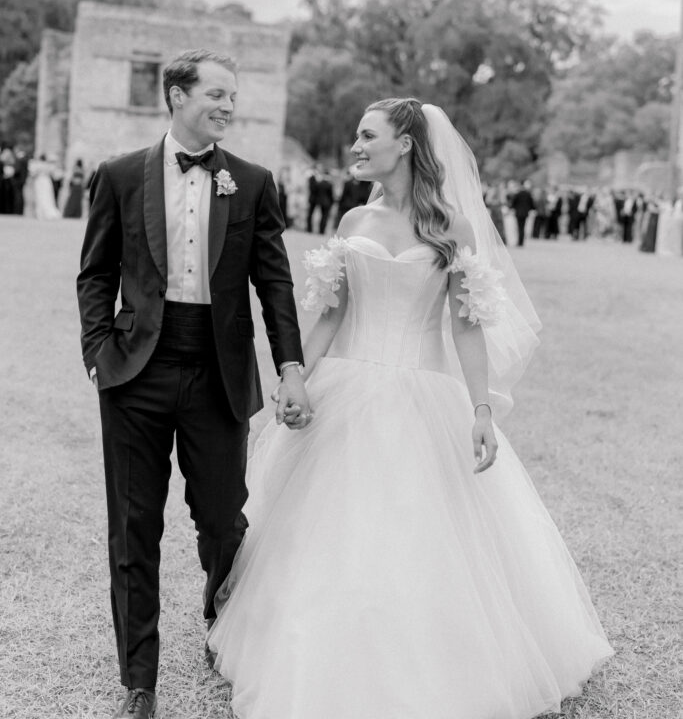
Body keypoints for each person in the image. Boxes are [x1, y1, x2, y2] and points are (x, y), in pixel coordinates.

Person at [207, 97, 612, 719]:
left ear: (406, 144)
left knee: (421, 531)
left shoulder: (453, 226)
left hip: (424, 394)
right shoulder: (350, 222)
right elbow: (331, 315)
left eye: (367, 136)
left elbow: (467, 328)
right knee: (329, 528)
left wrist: (481, 409)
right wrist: (295, 377)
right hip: (347, 390)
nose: (355, 147)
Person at [77, 49, 308, 719]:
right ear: (175, 95)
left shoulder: (254, 182)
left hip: (217, 374)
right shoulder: (120, 176)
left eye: (234, 97)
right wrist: (97, 350)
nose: (229, 107)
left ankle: (221, 619)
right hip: (134, 373)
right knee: (133, 525)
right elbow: (95, 272)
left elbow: (275, 283)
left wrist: (289, 365)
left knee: (220, 518)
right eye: (217, 94)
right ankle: (139, 681)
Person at [28, 154, 61, 220]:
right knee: (48, 197)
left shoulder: (37, 165)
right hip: (47, 181)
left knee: (40, 197)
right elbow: (55, 176)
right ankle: (48, 213)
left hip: (39, 181)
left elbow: (32, 174)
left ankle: (40, 214)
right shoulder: (48, 165)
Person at [511, 179, 535, 247]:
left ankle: (519, 241)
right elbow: (531, 203)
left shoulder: (517, 194)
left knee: (519, 227)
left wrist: (512, 208)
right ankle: (521, 242)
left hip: (518, 212)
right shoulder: (528, 194)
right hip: (525, 213)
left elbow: (513, 203)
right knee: (523, 227)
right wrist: (531, 209)